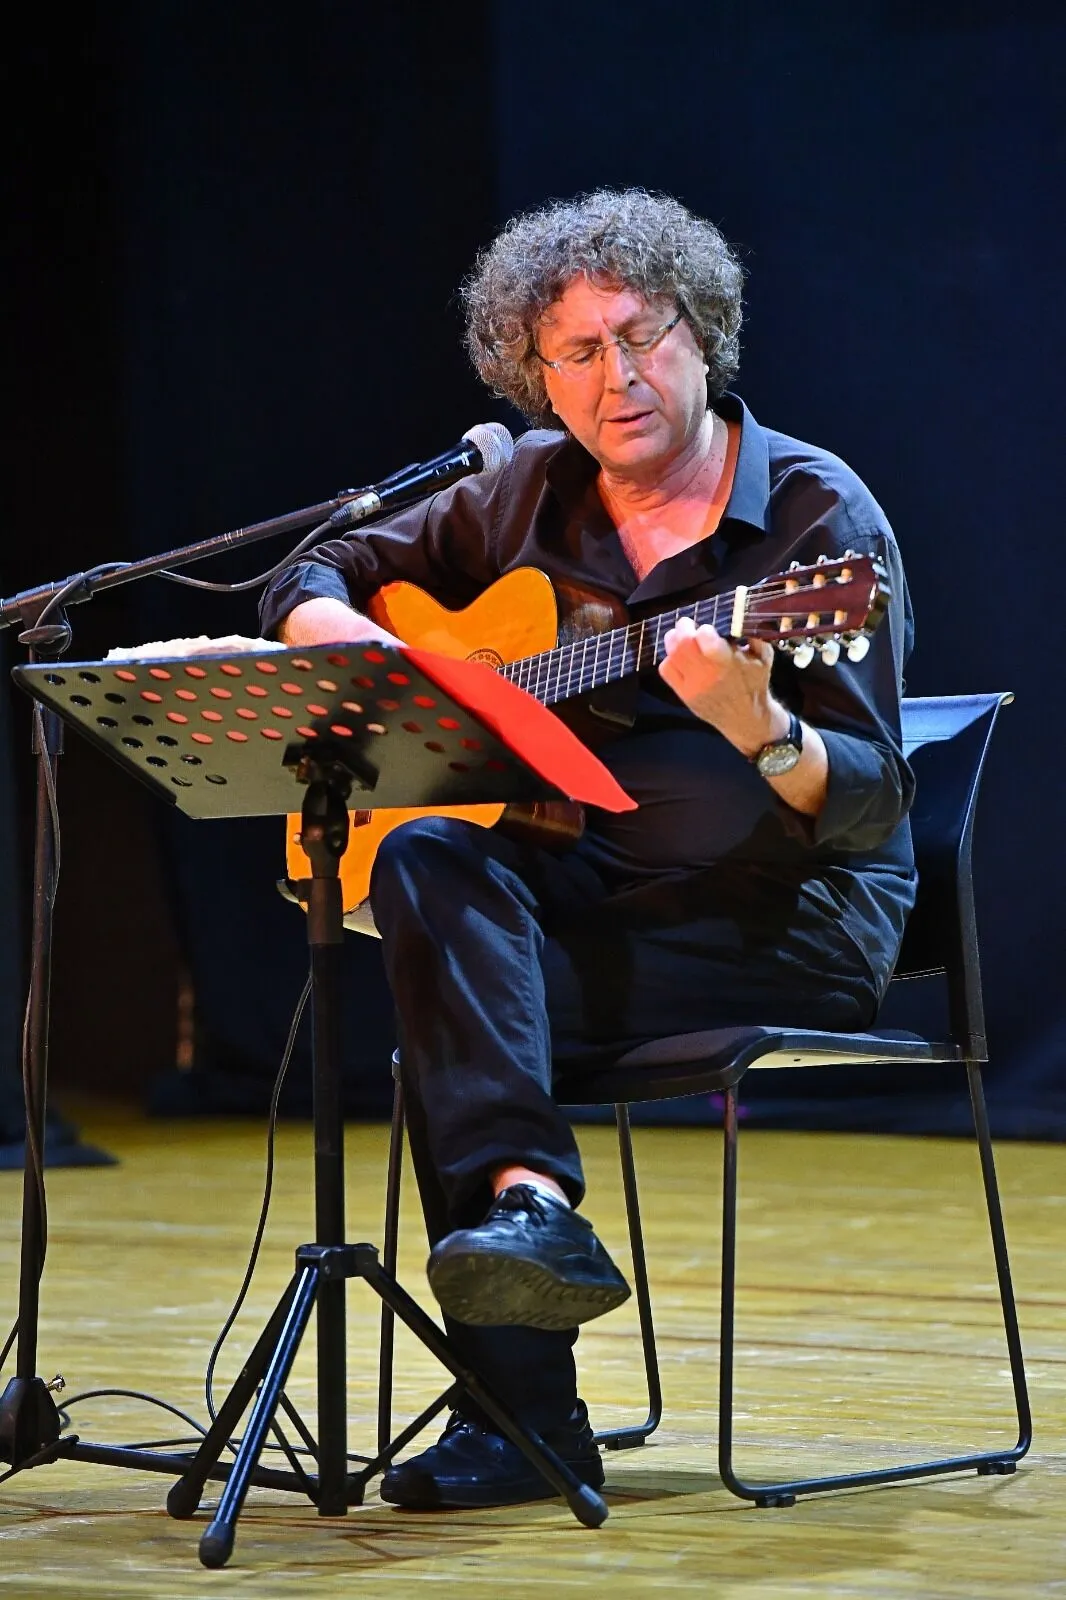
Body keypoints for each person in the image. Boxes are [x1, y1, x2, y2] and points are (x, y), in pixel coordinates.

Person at [259, 188, 915, 1510]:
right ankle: (530, 1215)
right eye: (578, 351)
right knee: (423, 855)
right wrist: (371, 653)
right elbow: (308, 572)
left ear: (700, 333)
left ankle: (520, 1411)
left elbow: (870, 803)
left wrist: (762, 727)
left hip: (778, 920)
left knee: (455, 1013)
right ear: (534, 377)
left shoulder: (811, 520)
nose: (619, 376)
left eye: (643, 334)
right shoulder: (522, 491)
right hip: (586, 908)